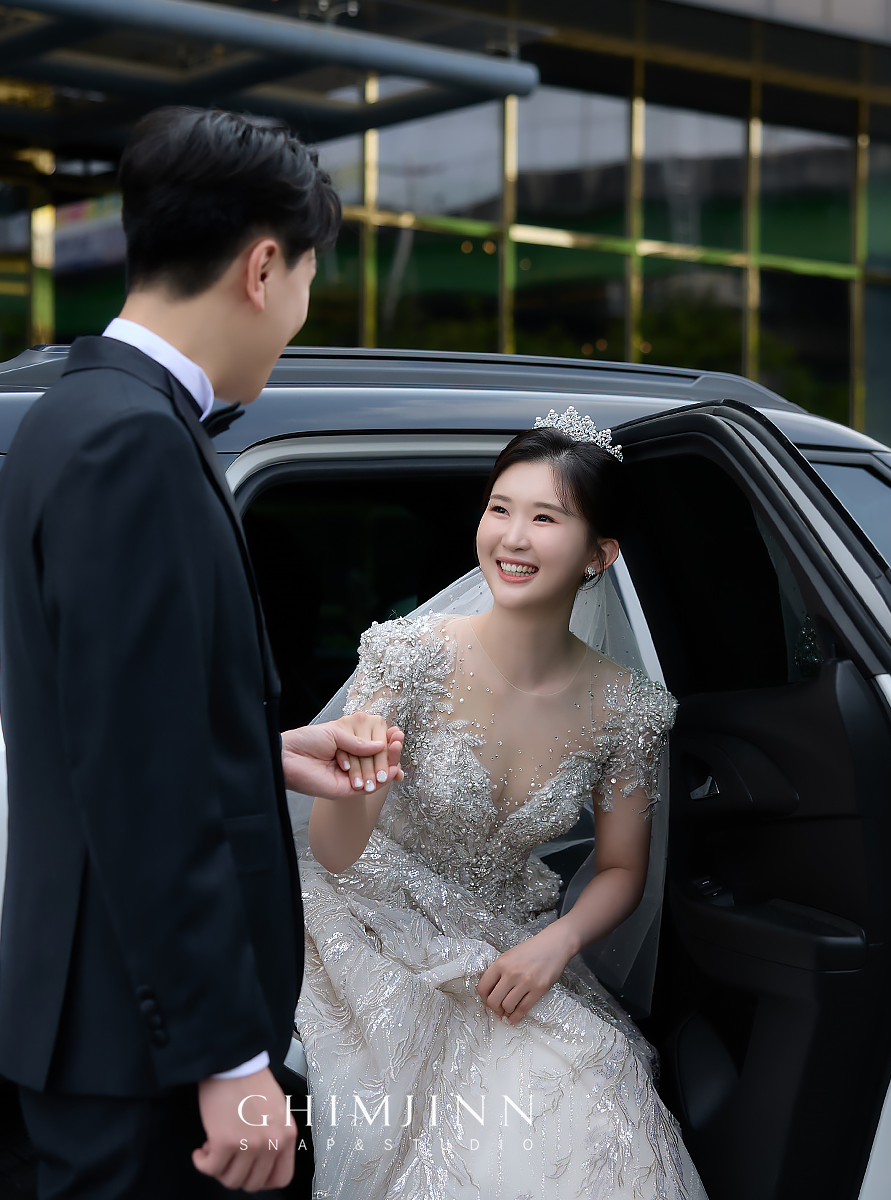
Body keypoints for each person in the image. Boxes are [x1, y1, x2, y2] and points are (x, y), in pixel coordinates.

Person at [0, 107, 402, 1198]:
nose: (300, 318)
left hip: (119, 1033)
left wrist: (262, 752)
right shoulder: (133, 442)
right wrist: (226, 1056)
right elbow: (140, 782)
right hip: (146, 1051)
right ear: (263, 268)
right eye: (308, 281)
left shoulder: (78, 415)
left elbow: (121, 718)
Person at [298, 412, 709, 1199]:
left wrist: (558, 943)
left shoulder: (629, 708)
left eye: (545, 518)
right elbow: (335, 853)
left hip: (507, 936)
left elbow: (622, 870)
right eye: (499, 508)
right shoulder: (406, 655)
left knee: (600, 1081)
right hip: (369, 914)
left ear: (599, 554)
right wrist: (359, 783)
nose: (512, 538)